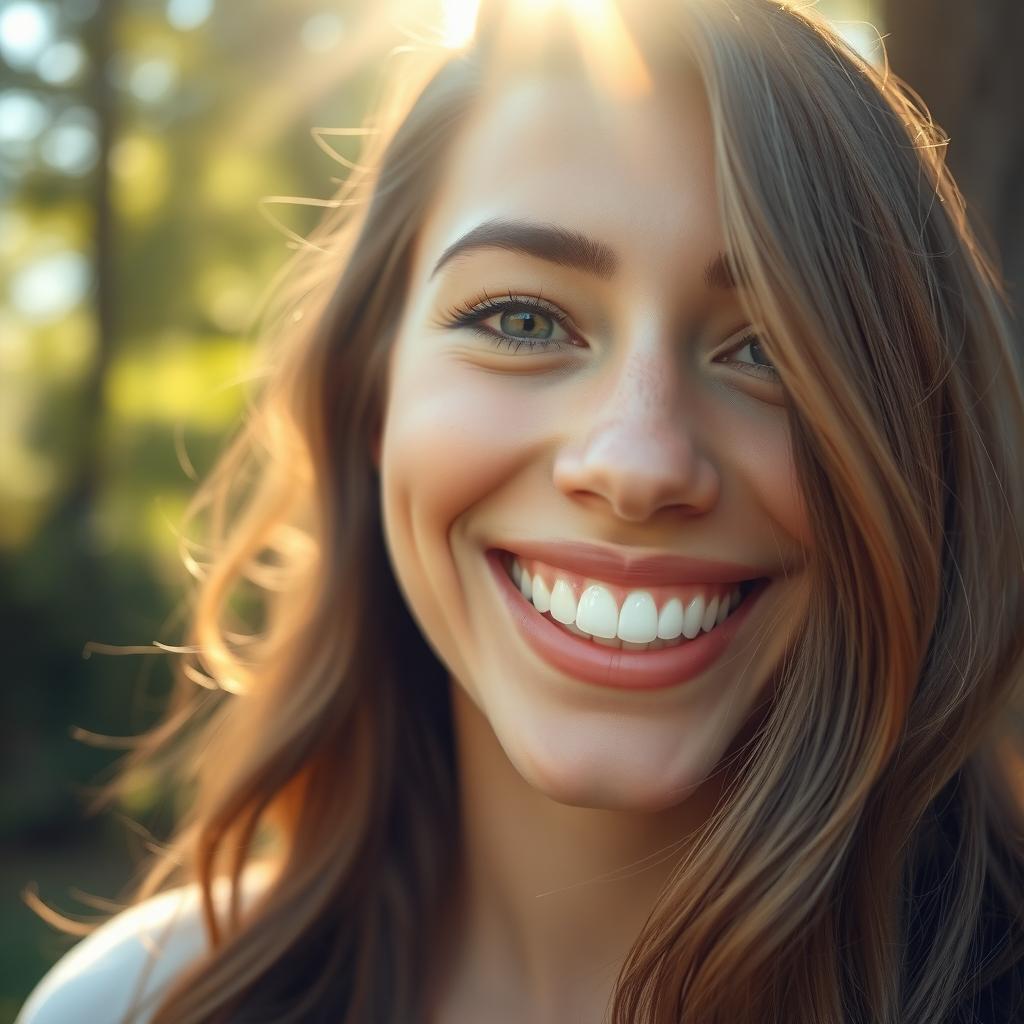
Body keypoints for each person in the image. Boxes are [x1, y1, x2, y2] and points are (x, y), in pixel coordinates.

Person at [18, 0, 1024, 1020]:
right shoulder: (128, 1005)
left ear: (917, 445)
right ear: (373, 395)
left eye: (769, 348)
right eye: (523, 319)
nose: (634, 465)